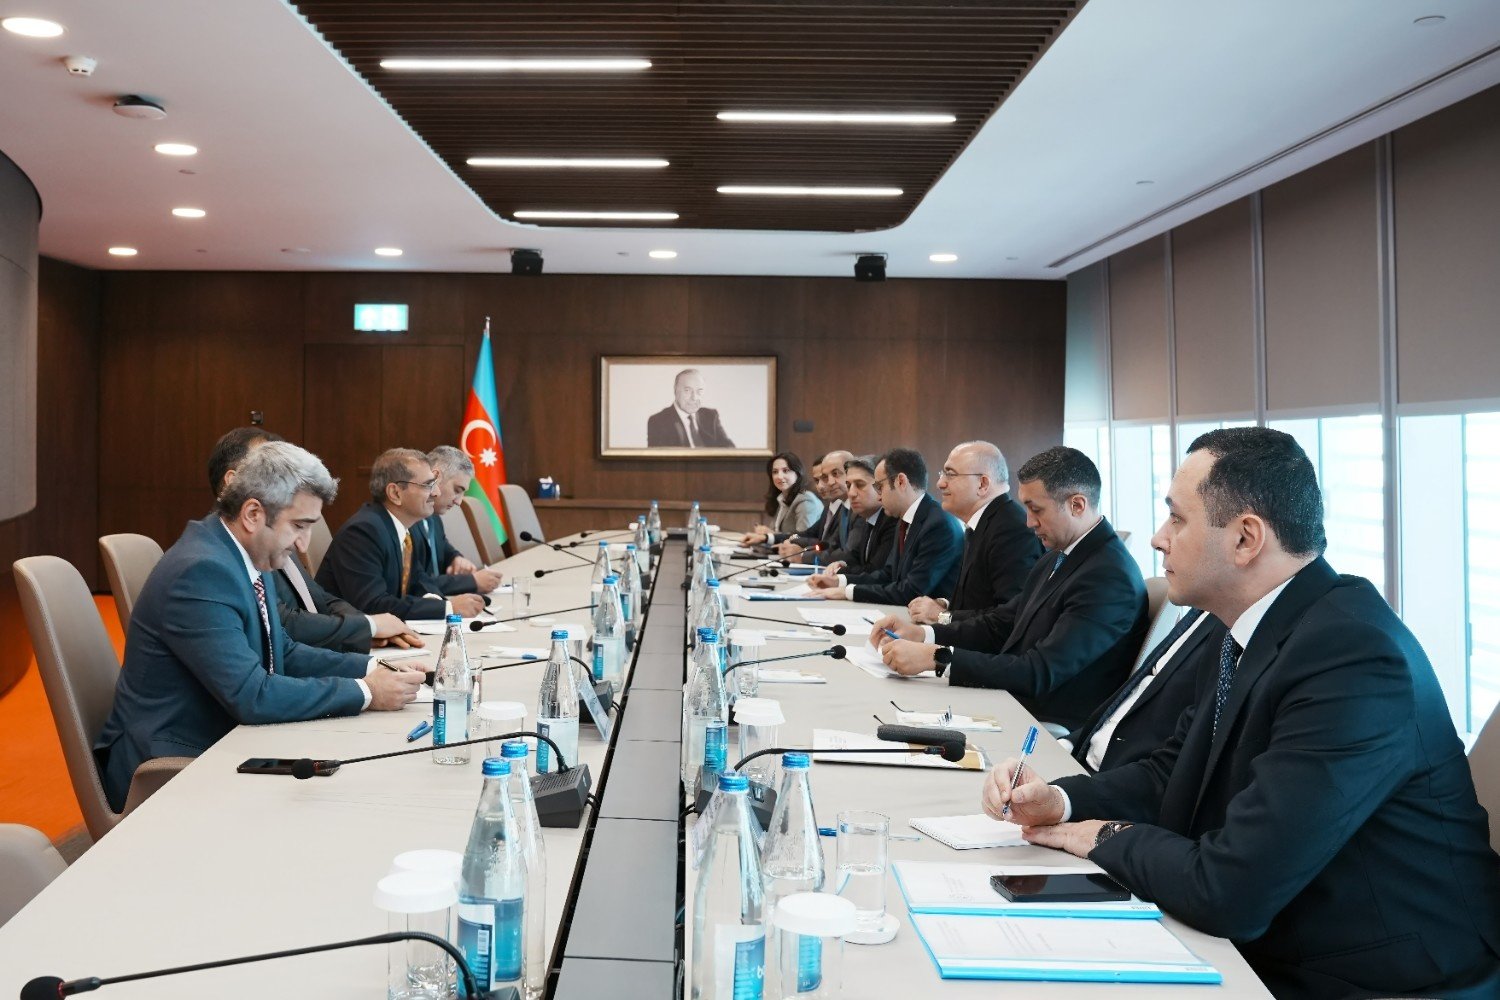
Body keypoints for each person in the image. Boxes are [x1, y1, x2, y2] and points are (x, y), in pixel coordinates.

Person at [987, 428, 1500, 998]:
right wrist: (1060, 801)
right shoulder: (1251, 625)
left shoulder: (1352, 657)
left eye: (1177, 519)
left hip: (1377, 977)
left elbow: (1230, 891)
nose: (1158, 539)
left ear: (1245, 539)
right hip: (1276, 934)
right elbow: (1173, 771)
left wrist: (1104, 835)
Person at [94, 442, 425, 811]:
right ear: (253, 514)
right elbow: (251, 695)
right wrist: (367, 692)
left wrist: (375, 667)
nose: (304, 544)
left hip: (227, 739)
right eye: (298, 526)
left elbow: (283, 650)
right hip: (174, 763)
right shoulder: (202, 571)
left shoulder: (248, 552)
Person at [869, 446, 1146, 730]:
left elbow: (1039, 671)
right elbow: (1002, 622)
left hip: (1041, 723)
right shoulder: (1058, 556)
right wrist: (925, 634)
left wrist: (936, 657)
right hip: (1012, 700)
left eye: (1036, 509)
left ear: (1077, 505)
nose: (1028, 521)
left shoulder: (1110, 577)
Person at [208, 427, 421, 654]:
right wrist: (368, 628)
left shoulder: (275, 535)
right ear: (233, 482)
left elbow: (319, 599)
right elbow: (281, 625)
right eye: (268, 468)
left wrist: (367, 629)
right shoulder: (221, 557)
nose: (302, 544)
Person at [316, 448, 487, 620]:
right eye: (428, 485)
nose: (436, 493)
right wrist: (448, 608)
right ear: (395, 493)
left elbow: (418, 581)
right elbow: (373, 606)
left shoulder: (402, 530)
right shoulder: (363, 532)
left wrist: (437, 601)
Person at [1061, 606, 1225, 771]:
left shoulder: (1228, 636)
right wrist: (1070, 743)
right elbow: (1130, 700)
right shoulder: (1200, 614)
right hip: (1084, 756)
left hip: (1115, 776)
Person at [907, 441, 1042, 626]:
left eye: (950, 474)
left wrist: (942, 616)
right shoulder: (985, 522)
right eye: (942, 474)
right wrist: (946, 604)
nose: (940, 483)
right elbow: (980, 598)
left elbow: (1009, 618)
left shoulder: (1011, 530)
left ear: (982, 484)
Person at [806, 447, 963, 604]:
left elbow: (912, 591)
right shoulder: (905, 518)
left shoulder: (938, 524)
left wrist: (847, 592)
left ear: (901, 482)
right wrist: (839, 581)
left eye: (879, 487)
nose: (878, 496)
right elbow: (888, 575)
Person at [416, 445, 503, 596]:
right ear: (435, 477)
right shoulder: (409, 519)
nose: (459, 501)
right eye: (457, 490)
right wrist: (472, 582)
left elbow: (442, 545)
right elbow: (416, 584)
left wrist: (455, 558)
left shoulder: (433, 517)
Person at [822, 455, 897, 577]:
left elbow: (876, 570)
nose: (851, 493)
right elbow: (855, 557)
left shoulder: (892, 520)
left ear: (880, 486)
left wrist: (841, 573)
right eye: (848, 486)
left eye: (860, 485)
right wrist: (842, 564)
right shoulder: (867, 516)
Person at [778, 450, 854, 562]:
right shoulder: (836, 508)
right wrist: (791, 541)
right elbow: (815, 537)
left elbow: (843, 553)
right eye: (819, 479)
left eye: (835, 474)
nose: (828, 483)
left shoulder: (856, 509)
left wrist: (801, 555)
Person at [740, 452, 823, 546]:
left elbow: (802, 539)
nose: (779, 476)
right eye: (775, 472)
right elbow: (779, 533)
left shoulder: (806, 500)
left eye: (786, 471)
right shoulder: (782, 498)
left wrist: (768, 535)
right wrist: (763, 536)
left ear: (798, 473)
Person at [645, 367, 735, 448]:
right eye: (687, 390)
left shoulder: (711, 415)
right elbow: (659, 459)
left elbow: (730, 449)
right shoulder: (658, 421)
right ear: (675, 390)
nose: (694, 397)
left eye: (699, 391)